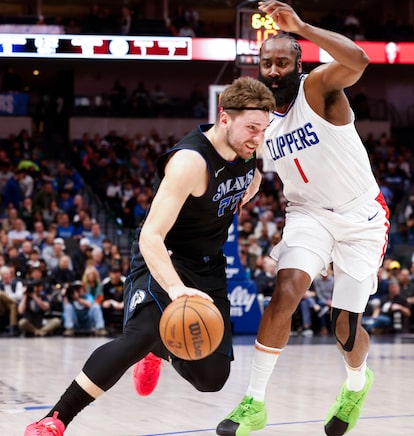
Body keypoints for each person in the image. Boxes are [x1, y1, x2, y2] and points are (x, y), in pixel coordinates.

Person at [24, 76, 276, 435]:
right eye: (252, 127)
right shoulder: (190, 162)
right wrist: (176, 290)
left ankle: (161, 349)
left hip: (208, 266)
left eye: (264, 129)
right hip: (164, 257)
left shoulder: (249, 155)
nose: (258, 137)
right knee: (137, 336)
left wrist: (246, 191)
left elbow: (244, 185)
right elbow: (150, 237)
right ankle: (54, 419)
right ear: (224, 118)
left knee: (212, 379)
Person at [216, 3, 390, 436]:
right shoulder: (261, 125)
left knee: (344, 328)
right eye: (266, 63)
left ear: (298, 64)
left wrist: (303, 27)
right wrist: (249, 177)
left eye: (281, 62)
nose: (273, 70)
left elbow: (359, 61)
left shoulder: (318, 90)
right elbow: (247, 161)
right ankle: (254, 402)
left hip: (361, 216)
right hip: (308, 215)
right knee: (286, 290)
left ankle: (356, 383)